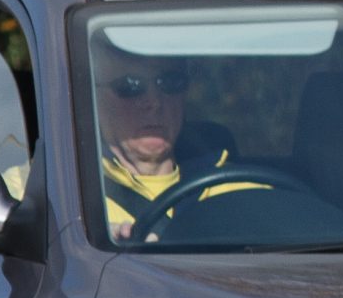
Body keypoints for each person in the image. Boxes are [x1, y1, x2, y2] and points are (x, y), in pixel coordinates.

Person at [91, 40, 255, 240]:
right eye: (130, 86)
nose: (154, 102)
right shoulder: (77, 203)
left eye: (170, 82)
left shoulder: (238, 189)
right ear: (94, 97)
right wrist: (100, 240)